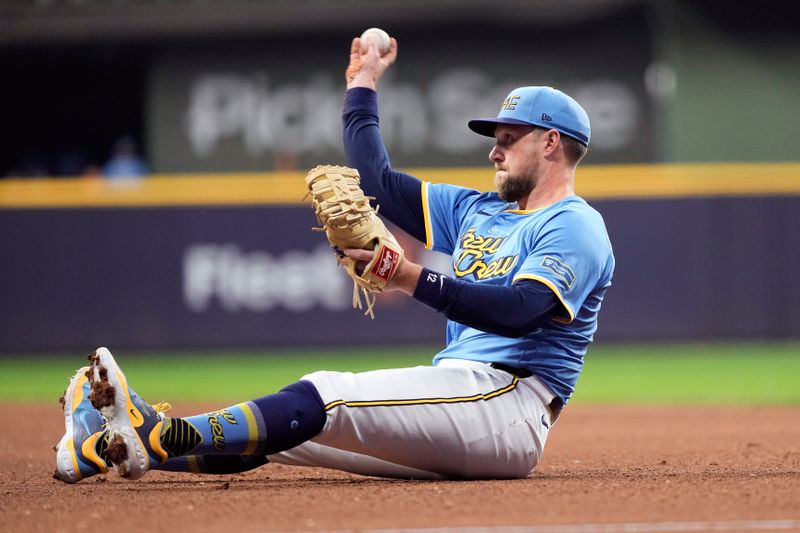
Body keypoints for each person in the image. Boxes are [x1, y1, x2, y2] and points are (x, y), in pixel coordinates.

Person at [54, 35, 614, 483]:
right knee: (280, 436)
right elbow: (376, 181)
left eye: (509, 137)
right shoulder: (476, 209)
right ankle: (105, 448)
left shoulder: (575, 225)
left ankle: (150, 432)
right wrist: (362, 83)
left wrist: (410, 278)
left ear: (550, 143)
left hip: (507, 404)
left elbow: (523, 309)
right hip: (461, 394)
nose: (493, 148)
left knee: (325, 391)